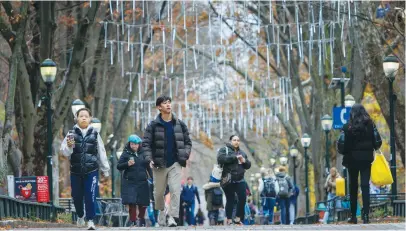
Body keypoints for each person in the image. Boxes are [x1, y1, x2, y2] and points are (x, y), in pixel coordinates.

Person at [142, 95, 192, 227]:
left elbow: (187, 142)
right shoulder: (152, 125)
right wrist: (149, 159)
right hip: (159, 164)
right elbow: (145, 144)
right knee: (158, 194)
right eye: (165, 103)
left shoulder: (180, 124)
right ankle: (161, 211)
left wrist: (184, 155)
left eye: (169, 102)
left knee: (176, 190)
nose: (168, 105)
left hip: (175, 163)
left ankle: (172, 217)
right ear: (159, 107)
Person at [60, 108, 110, 230]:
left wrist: (105, 169)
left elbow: (101, 152)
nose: (83, 118)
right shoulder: (71, 134)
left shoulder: (95, 134)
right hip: (75, 171)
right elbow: (64, 152)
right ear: (76, 118)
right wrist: (69, 146)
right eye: (81, 116)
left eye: (86, 116)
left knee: (90, 195)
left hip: (91, 171)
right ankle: (80, 215)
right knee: (76, 196)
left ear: (90, 118)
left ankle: (90, 220)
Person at [342, 104, 377, 224]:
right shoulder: (370, 125)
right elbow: (376, 142)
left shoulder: (348, 127)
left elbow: (343, 146)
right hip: (366, 159)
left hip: (352, 159)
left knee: (353, 187)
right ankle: (366, 215)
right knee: (365, 185)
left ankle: (353, 216)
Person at [117, 135, 151, 227]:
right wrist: (127, 164)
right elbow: (119, 166)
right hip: (130, 181)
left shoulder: (144, 153)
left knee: (143, 202)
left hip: (142, 180)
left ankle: (141, 218)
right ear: (129, 144)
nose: (134, 146)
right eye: (132, 144)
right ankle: (133, 220)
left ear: (139, 144)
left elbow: (148, 166)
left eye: (136, 144)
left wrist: (152, 178)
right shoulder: (126, 153)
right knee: (131, 201)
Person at [217, 135, 251, 225]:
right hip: (228, 179)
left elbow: (248, 165)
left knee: (243, 198)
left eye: (238, 140)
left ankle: (238, 218)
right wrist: (235, 157)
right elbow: (220, 159)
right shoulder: (225, 150)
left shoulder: (242, 152)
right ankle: (229, 219)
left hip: (240, 179)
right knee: (230, 199)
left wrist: (244, 161)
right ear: (230, 141)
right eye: (234, 140)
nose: (236, 142)